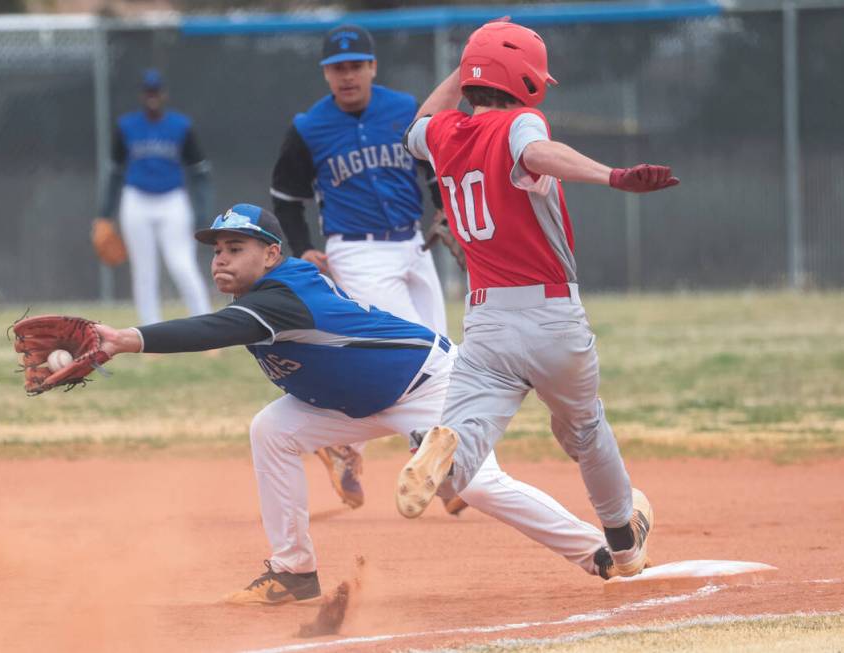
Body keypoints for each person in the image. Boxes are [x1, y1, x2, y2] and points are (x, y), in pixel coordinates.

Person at [91, 202, 621, 604]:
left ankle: (600, 552)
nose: (222, 259)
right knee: (271, 430)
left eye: (237, 247)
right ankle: (293, 571)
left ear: (272, 253)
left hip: (428, 384)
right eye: (218, 250)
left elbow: (210, 330)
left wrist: (125, 338)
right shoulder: (263, 296)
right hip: (354, 402)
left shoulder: (281, 295)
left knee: (475, 485)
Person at [397, 20, 681, 578]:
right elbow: (539, 153)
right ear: (526, 79)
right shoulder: (520, 122)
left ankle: (442, 454)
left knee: (466, 449)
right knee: (583, 427)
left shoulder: (444, 135)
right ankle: (625, 542)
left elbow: (420, 122)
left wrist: (467, 64)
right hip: (551, 318)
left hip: (487, 325)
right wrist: (613, 176)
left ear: (473, 78)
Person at [270, 25, 464, 512]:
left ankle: (343, 445)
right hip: (355, 251)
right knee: (418, 355)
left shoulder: (403, 110)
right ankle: (443, 475)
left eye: (356, 65)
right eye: (338, 68)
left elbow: (432, 167)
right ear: (326, 74)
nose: (348, 75)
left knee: (441, 351)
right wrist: (302, 248)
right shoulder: (309, 127)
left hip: (414, 246)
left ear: (373, 67)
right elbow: (286, 198)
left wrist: (444, 207)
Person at [96, 68, 212, 325]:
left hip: (172, 200)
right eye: (148, 92)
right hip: (136, 199)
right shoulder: (127, 126)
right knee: (144, 271)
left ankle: (207, 327)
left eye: (156, 91)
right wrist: (104, 215)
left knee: (182, 264)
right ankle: (149, 334)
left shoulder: (180, 126)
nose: (152, 96)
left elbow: (199, 171)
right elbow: (115, 172)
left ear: (164, 94)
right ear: (141, 95)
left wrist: (202, 212)